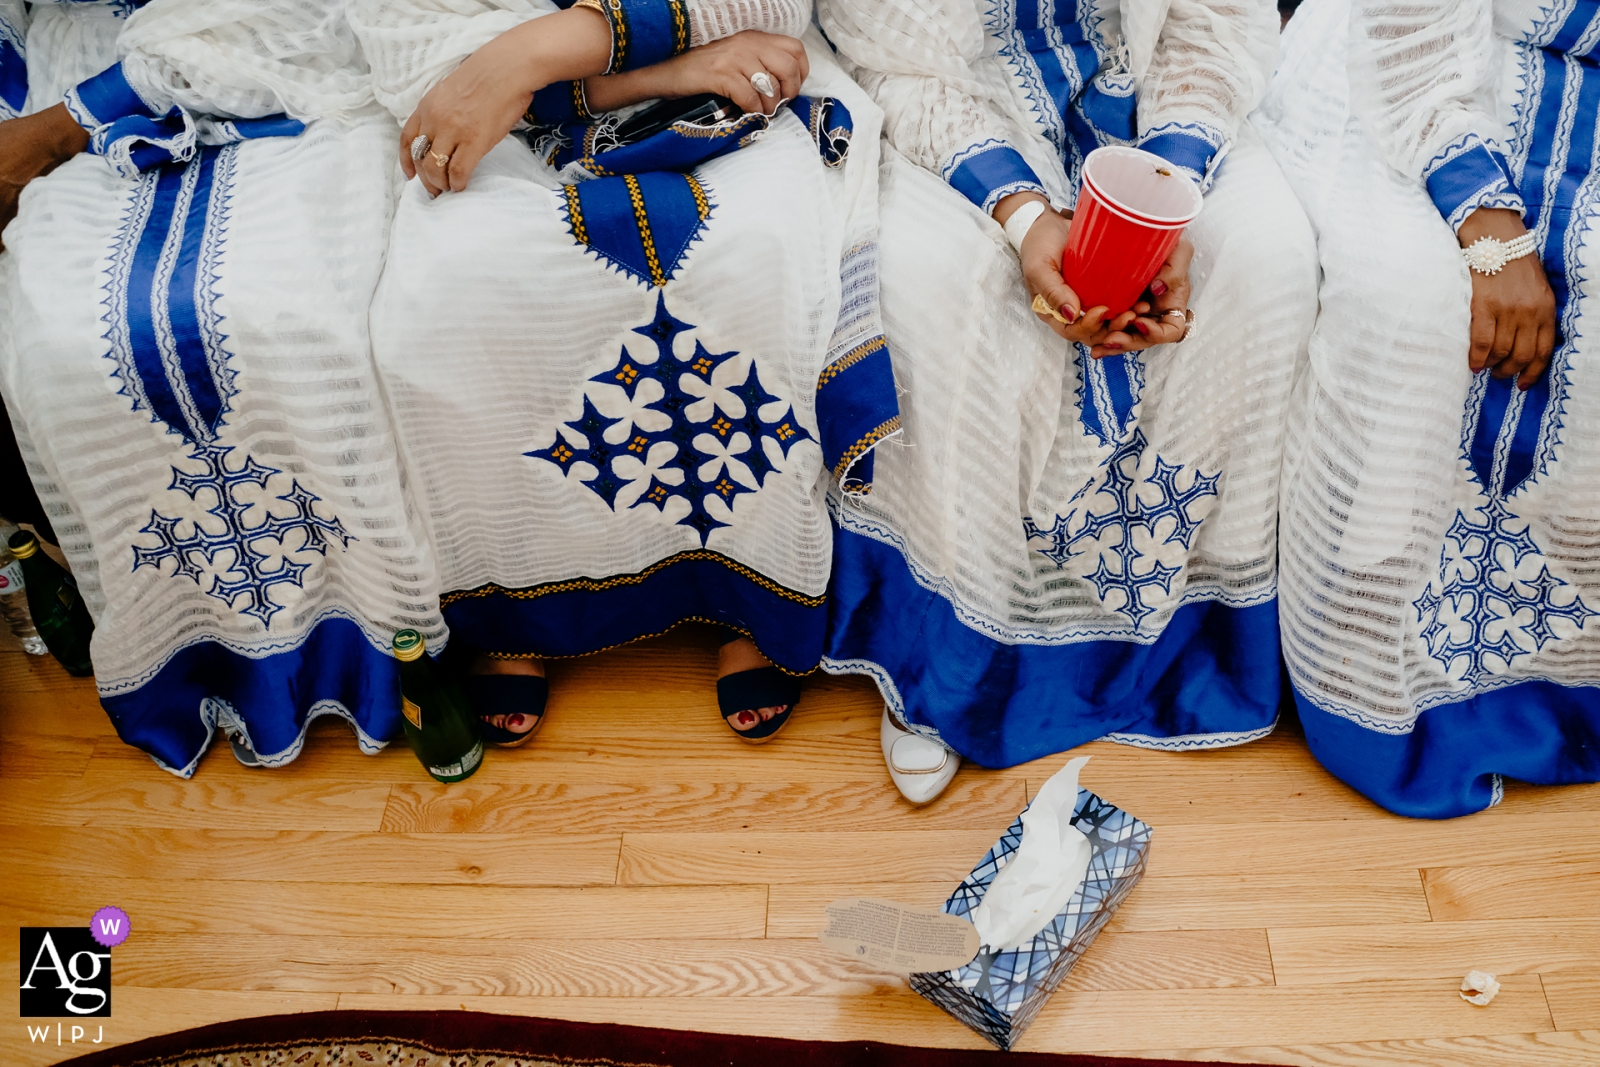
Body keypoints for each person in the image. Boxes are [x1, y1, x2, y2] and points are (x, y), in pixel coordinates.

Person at [814, 0, 1320, 803]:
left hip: (1155, 92)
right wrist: (1021, 214)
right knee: (943, 288)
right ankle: (947, 663)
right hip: (950, 99)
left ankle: (1198, 646)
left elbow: (1212, 22)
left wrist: (1161, 200)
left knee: (1266, 261)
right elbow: (892, 52)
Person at [350, 0, 895, 745]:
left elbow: (773, 9)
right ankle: (519, 609)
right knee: (452, 290)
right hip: (514, 124)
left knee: (755, 258)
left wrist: (528, 55)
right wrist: (658, 65)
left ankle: (747, 591)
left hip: (723, 100)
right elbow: (427, 70)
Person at [0, 0, 442, 775]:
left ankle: (391, 651)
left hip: (296, 50)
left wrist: (70, 120)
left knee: (301, 320)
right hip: (81, 52)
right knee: (63, 344)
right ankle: (197, 663)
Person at [1256, 0, 1600, 817]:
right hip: (1413, 61)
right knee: (1411, 307)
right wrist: (1489, 223)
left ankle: (1555, 681)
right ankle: (1365, 669)